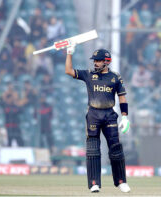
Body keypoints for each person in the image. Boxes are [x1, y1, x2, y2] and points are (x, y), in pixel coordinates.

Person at [65, 47, 131, 193]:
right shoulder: (88, 74)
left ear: (106, 61)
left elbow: (122, 97)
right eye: (94, 60)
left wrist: (125, 116)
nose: (95, 63)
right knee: (93, 150)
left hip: (109, 115)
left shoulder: (115, 77)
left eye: (98, 61)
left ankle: (121, 181)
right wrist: (69, 52)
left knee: (115, 149)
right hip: (93, 115)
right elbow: (69, 71)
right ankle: (94, 183)